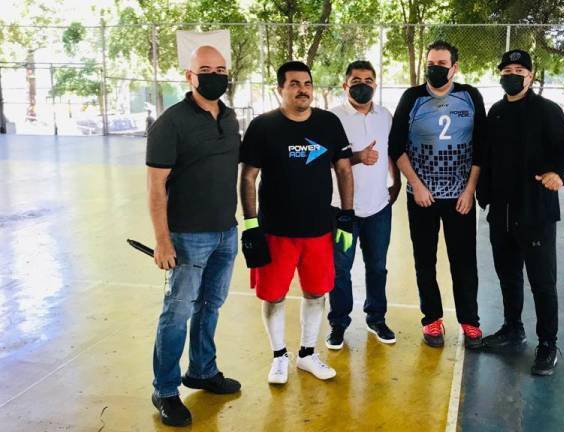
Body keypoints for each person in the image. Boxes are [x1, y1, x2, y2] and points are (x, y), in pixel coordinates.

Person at [239, 61, 354, 384]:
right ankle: (279, 357)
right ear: (280, 89)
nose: (302, 89)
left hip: (319, 230)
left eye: (307, 83)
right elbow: (248, 177)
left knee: (316, 293)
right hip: (275, 231)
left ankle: (306, 354)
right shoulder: (262, 126)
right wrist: (250, 225)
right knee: (273, 295)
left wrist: (347, 216)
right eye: (294, 84)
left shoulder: (328, 123)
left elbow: (344, 170)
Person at [146, 45, 241, 427]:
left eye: (220, 69)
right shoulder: (170, 123)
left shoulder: (230, 117)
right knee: (177, 312)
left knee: (210, 306)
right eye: (205, 69)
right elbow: (156, 187)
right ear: (189, 75)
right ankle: (165, 389)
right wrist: (162, 240)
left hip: (226, 232)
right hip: (187, 237)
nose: (214, 75)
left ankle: (202, 370)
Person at [477, 49, 564, 376]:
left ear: (530, 76)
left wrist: (559, 175)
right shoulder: (496, 112)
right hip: (501, 212)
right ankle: (512, 328)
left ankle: (548, 343)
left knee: (542, 282)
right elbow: (487, 157)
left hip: (536, 211)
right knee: (508, 275)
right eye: (507, 70)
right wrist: (483, 196)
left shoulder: (547, 110)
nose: (512, 75)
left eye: (519, 71)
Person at [388, 40, 486, 349]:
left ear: (454, 68)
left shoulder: (470, 96)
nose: (435, 69)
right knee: (424, 260)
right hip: (422, 197)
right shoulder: (412, 98)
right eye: (431, 64)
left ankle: (470, 321)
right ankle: (431, 319)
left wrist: (470, 190)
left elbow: (482, 147)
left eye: (442, 64)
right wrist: (416, 185)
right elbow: (396, 146)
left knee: (464, 261)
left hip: (460, 197)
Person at [326, 60, 401, 349]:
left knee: (378, 267)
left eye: (368, 80)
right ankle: (339, 323)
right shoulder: (332, 118)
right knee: (340, 269)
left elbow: (391, 152)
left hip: (378, 209)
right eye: (356, 80)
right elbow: (322, 159)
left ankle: (376, 318)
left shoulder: (385, 116)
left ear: (375, 84)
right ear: (345, 85)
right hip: (342, 212)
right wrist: (357, 157)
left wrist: (396, 181)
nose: (363, 85)